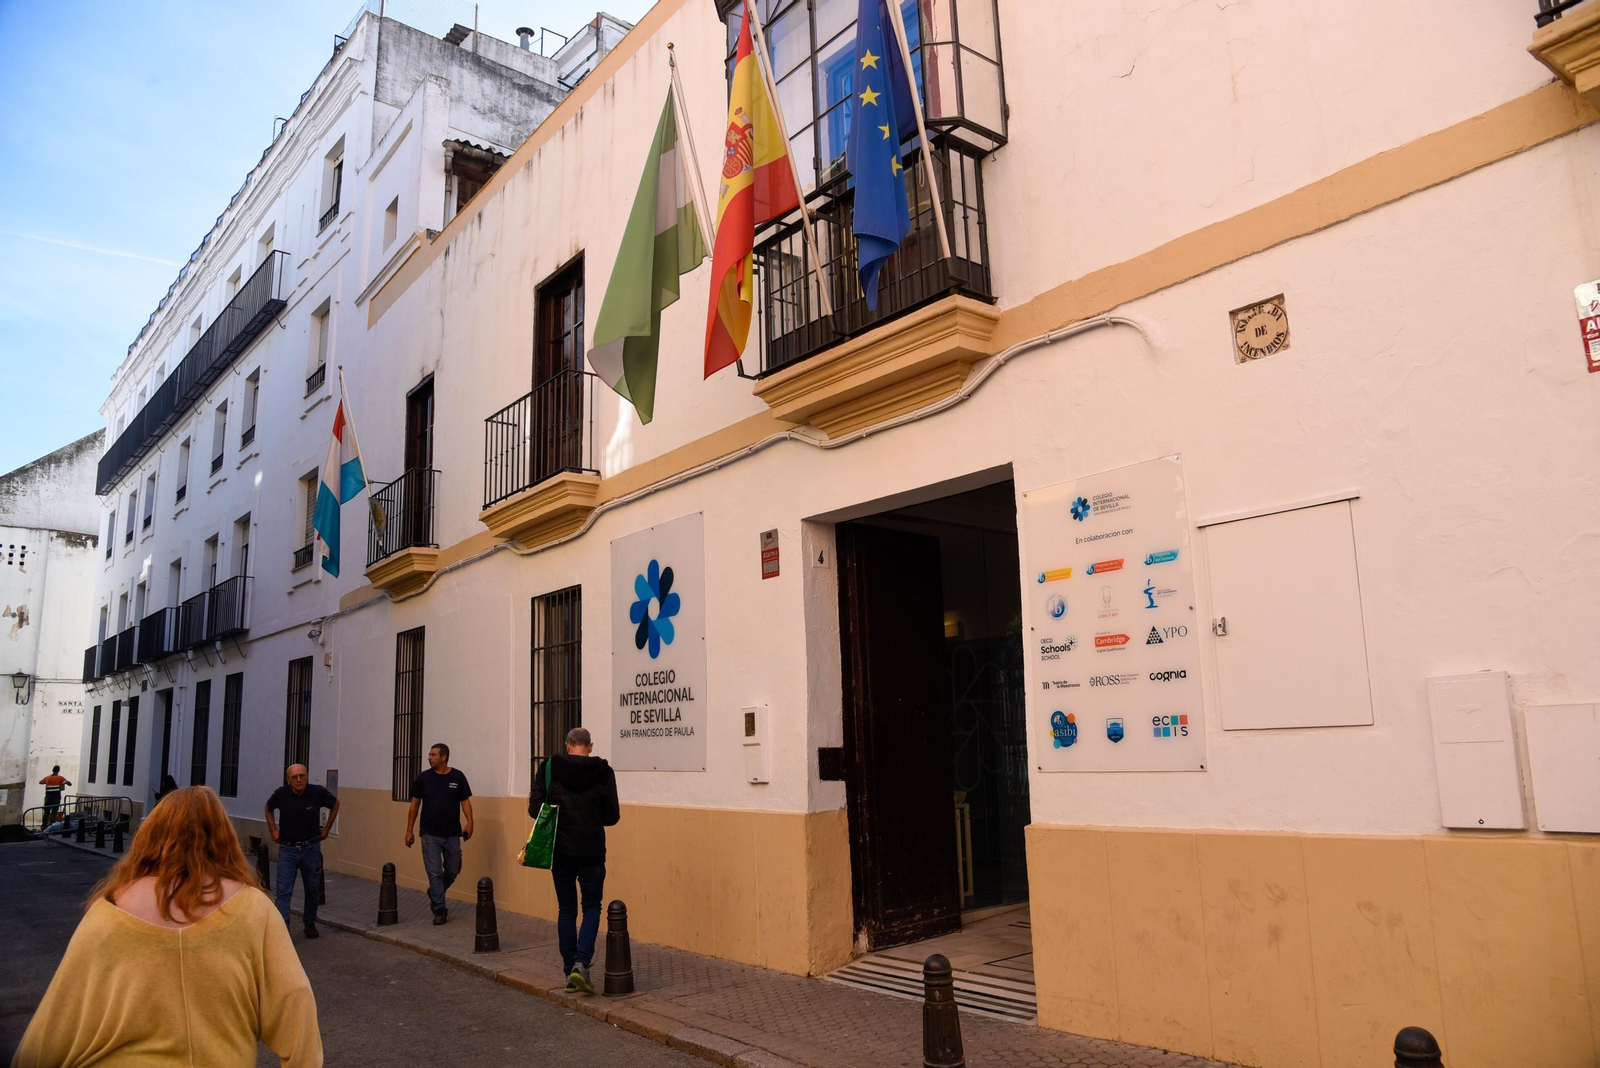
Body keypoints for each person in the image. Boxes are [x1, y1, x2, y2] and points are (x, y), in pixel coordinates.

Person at [10, 785, 322, 1067]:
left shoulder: (108, 912)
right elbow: (295, 1003)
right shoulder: (253, 908)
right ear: (224, 837)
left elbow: (51, 1031)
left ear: (151, 834)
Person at [528, 727, 619, 995]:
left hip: (561, 851)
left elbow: (534, 807)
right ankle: (582, 963)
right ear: (589, 747)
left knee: (566, 910)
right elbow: (612, 816)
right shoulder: (604, 771)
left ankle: (570, 970)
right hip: (592, 850)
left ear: (568, 746)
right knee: (592, 906)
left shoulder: (549, 768)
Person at [265, 764, 340, 939]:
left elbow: (335, 804)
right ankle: (283, 931)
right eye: (295, 777)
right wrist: (273, 830)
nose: (299, 780)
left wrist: (327, 829)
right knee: (283, 890)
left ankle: (309, 922)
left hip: (310, 848)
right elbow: (268, 808)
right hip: (288, 849)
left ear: (307, 776)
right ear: (288, 779)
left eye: (302, 776)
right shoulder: (281, 794)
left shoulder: (317, 792)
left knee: (312, 888)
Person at [404, 743, 472, 925]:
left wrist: (470, 822)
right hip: (429, 833)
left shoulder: (457, 777)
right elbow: (414, 806)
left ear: (444, 757)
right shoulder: (423, 778)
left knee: (453, 868)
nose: (430, 757)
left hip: (452, 833)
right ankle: (440, 909)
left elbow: (465, 801)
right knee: (434, 873)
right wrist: (409, 830)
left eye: (433, 755)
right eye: (429, 754)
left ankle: (436, 891)